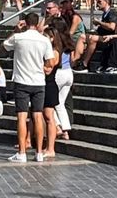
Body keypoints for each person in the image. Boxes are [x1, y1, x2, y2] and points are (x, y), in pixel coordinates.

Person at [2, 12, 55, 163]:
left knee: (22, 116)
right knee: (38, 116)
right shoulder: (44, 40)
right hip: (39, 81)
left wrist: (15, 30)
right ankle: (39, 152)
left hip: (22, 80)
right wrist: (43, 68)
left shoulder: (19, 38)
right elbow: (50, 62)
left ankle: (22, 152)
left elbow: (4, 46)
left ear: (25, 22)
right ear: (37, 23)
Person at [42, 25, 73, 158]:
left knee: (54, 106)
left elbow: (49, 68)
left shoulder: (53, 51)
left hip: (58, 75)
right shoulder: (66, 43)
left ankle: (59, 128)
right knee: (60, 104)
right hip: (69, 72)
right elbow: (74, 57)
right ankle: (65, 129)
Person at [74, 0, 117, 72]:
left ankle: (85, 64)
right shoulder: (105, 14)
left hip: (110, 38)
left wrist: (99, 23)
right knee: (82, 36)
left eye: (99, 1)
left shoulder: (112, 12)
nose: (97, 4)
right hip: (102, 36)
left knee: (92, 39)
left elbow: (112, 27)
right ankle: (75, 61)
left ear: (106, 1)